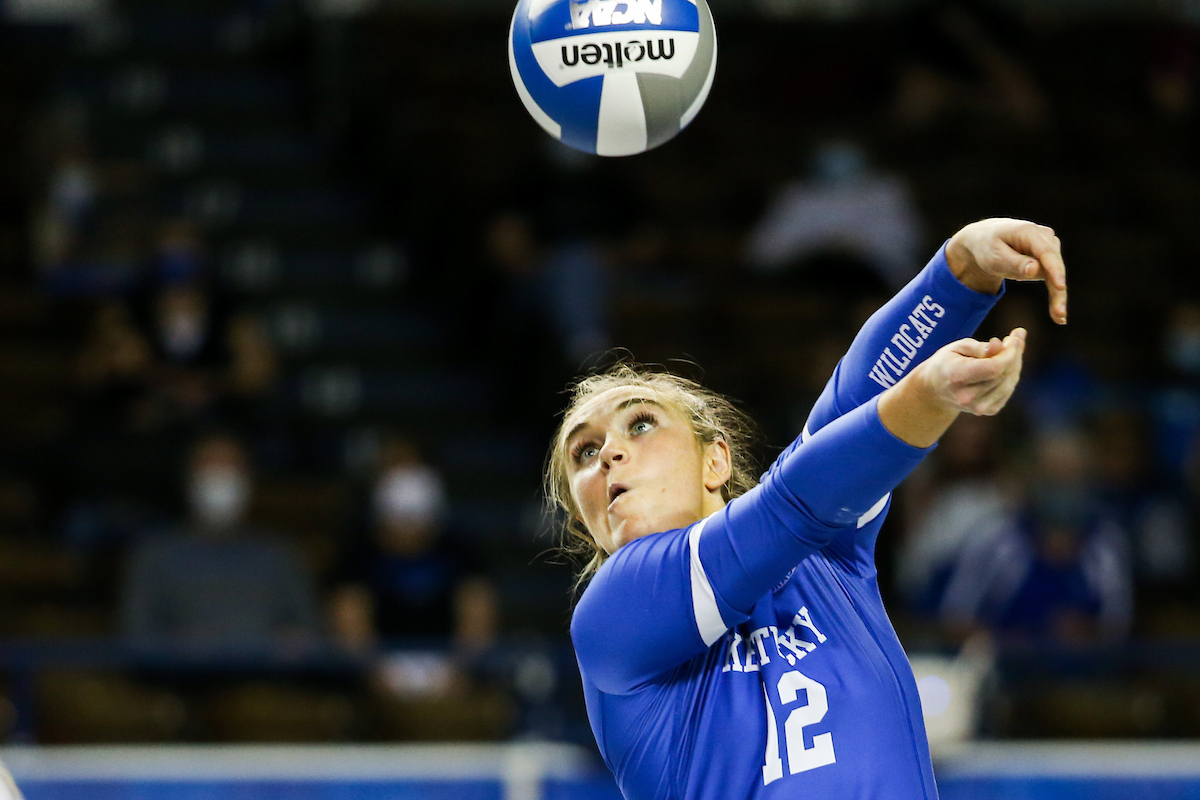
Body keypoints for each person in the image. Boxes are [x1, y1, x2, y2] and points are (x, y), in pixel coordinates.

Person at [545, 218, 1066, 799]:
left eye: (641, 424)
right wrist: (926, 399)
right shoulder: (610, 619)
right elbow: (793, 500)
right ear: (584, 520)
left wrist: (960, 271)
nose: (610, 453)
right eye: (584, 453)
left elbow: (857, 398)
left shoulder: (823, 548)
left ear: (715, 461)